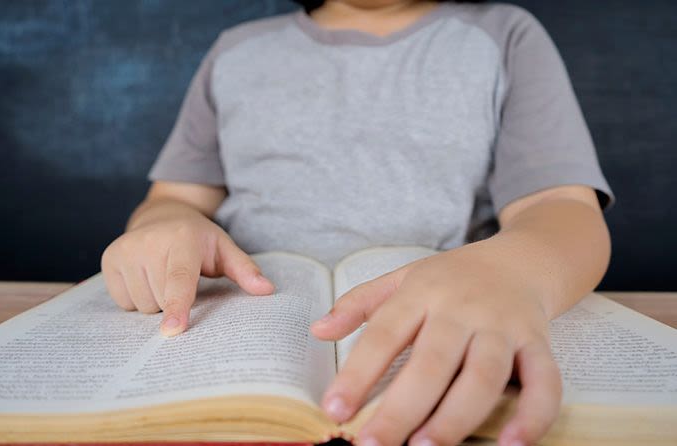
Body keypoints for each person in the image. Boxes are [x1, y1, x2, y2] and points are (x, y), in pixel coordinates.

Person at [100, 1, 614, 445]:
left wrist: (508, 273)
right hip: (240, 332)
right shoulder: (236, 51)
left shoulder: (504, 35)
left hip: (437, 333)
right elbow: (172, 199)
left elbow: (563, 208)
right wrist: (164, 226)